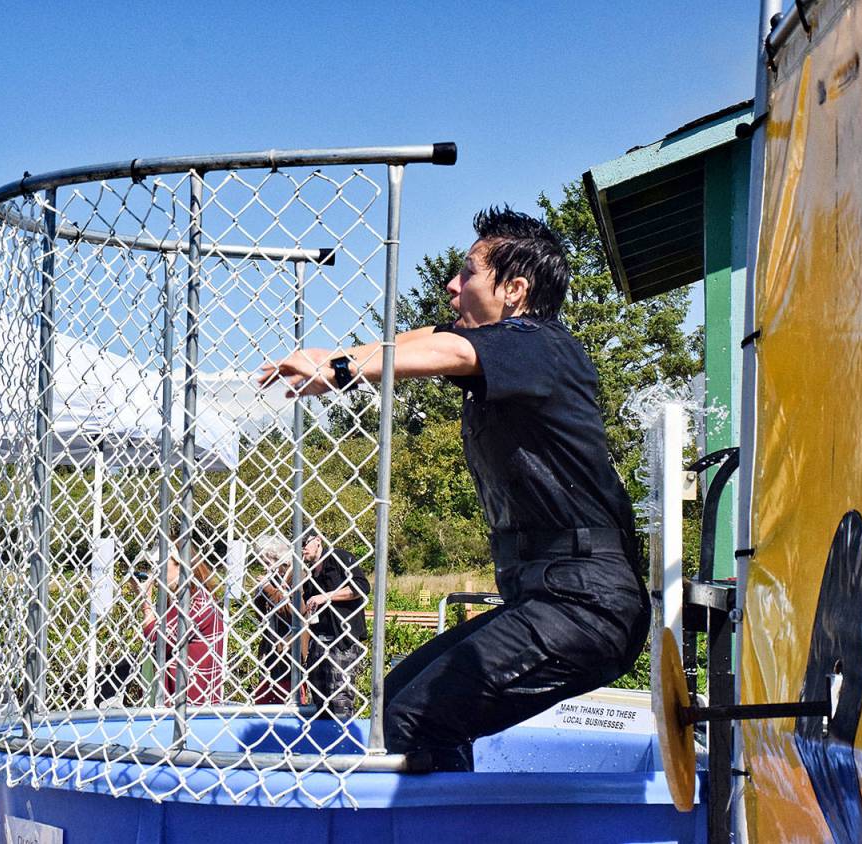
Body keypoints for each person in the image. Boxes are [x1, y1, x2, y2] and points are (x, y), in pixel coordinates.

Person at [259, 206, 649, 771]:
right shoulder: (506, 348)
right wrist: (329, 355)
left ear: (515, 290)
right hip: (549, 599)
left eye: (467, 272)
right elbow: (425, 337)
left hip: (586, 605)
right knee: (394, 707)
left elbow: (449, 351)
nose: (450, 283)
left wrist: (343, 371)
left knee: (411, 720)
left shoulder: (539, 344)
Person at [138, 544, 225, 706]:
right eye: (153, 566)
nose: (154, 572)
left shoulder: (197, 601)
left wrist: (145, 602)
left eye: (160, 565)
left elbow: (158, 642)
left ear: (180, 566)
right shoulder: (172, 598)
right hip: (174, 696)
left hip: (193, 703)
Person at [300, 529, 370, 719]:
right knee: (319, 699)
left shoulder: (338, 557)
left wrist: (327, 597)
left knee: (340, 699)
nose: (302, 549)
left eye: (304, 543)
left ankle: (343, 742)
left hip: (342, 640)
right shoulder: (308, 572)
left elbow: (362, 588)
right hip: (319, 640)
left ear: (318, 540)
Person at [251, 532, 297, 705]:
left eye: (266, 560)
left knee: (285, 696)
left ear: (276, 556)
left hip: (290, 649)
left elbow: (293, 612)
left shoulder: (296, 576)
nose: (264, 565)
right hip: (271, 646)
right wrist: (260, 592)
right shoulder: (275, 577)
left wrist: (269, 589)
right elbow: (260, 614)